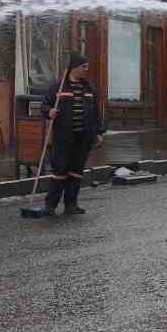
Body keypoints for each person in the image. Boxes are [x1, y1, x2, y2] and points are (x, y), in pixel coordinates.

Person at [40, 52, 105, 217]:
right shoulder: (58, 86)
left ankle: (71, 204)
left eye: (87, 66)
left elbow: (96, 113)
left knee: (76, 171)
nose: (86, 69)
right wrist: (49, 111)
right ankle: (50, 206)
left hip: (84, 137)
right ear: (74, 67)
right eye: (84, 66)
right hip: (63, 136)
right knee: (59, 170)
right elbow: (45, 106)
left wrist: (99, 132)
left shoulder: (89, 88)